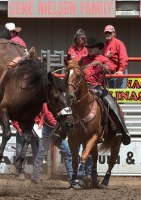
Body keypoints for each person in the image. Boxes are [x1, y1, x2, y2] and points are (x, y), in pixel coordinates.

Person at [80, 37, 130, 145]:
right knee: (67, 102)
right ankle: (62, 129)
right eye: (88, 47)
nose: (89, 49)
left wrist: (105, 66)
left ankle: (117, 128)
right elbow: (74, 65)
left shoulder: (102, 58)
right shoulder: (82, 59)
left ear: (97, 48)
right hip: (84, 89)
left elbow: (112, 67)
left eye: (92, 47)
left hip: (98, 88)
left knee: (111, 104)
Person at [66, 28, 92, 180]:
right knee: (64, 100)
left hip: (83, 80)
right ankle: (60, 128)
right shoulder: (72, 49)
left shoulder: (87, 51)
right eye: (78, 38)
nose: (80, 40)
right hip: (73, 80)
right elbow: (70, 62)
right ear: (76, 39)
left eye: (82, 38)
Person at [31, 103, 73, 184]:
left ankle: (71, 177)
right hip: (52, 128)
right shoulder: (47, 102)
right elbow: (48, 115)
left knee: (42, 152)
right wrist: (60, 125)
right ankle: (35, 177)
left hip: (53, 128)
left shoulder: (56, 101)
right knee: (43, 152)